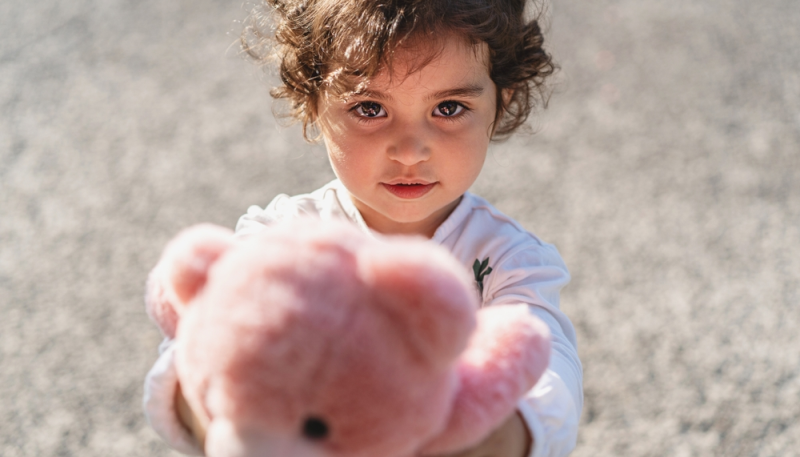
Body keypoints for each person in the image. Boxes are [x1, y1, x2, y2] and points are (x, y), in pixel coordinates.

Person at [144, 0, 583, 456]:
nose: (411, 150)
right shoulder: (282, 239)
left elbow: (548, 373)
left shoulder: (508, 261)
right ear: (314, 102)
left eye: (449, 108)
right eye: (371, 109)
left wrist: (483, 434)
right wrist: (235, 423)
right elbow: (192, 352)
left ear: (501, 100)